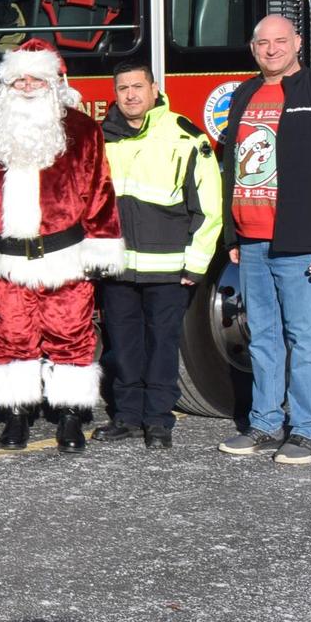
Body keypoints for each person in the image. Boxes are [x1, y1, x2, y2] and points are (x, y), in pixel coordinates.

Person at [216, 15, 311, 465]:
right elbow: (232, 166)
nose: (272, 49)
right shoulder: (244, 93)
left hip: (301, 240)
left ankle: (306, 433)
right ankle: (262, 424)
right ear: (253, 47)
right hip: (253, 241)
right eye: (263, 42)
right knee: (262, 337)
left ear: (298, 43)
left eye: (281, 41)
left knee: (303, 337)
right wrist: (232, 233)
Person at [0, 39, 124, 453]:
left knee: (70, 333)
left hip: (64, 256)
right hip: (6, 257)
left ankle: (70, 415)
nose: (26, 85)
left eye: (35, 77)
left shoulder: (81, 129)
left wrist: (102, 242)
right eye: (18, 77)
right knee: (11, 334)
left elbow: (99, 190)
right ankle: (16, 414)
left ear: (52, 81)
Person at [95, 63, 223, 448]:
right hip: (116, 267)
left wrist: (196, 264)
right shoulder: (102, 138)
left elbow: (209, 205)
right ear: (114, 94)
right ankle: (128, 417)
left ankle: (159, 421)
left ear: (154, 89)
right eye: (123, 88)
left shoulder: (185, 136)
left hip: (168, 267)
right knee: (123, 346)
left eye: (138, 86)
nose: (131, 95)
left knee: (162, 346)